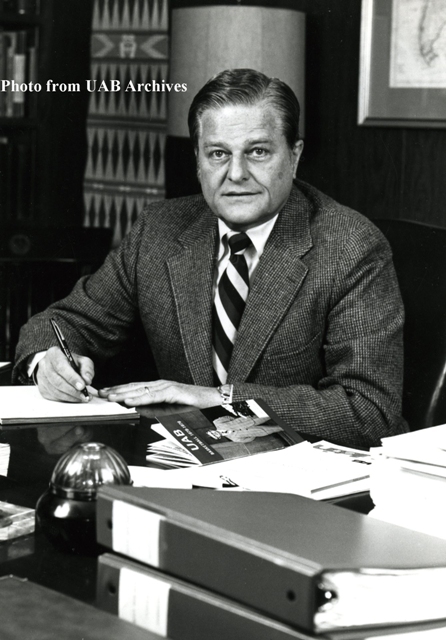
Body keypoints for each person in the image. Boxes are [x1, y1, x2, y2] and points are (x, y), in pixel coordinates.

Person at [13, 68, 408, 448]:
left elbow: (369, 411)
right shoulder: (161, 230)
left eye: (257, 151)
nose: (236, 173)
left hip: (299, 482)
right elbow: (62, 323)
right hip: (184, 463)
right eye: (218, 153)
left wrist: (220, 397)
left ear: (294, 155)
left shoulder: (350, 247)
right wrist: (47, 362)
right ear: (198, 161)